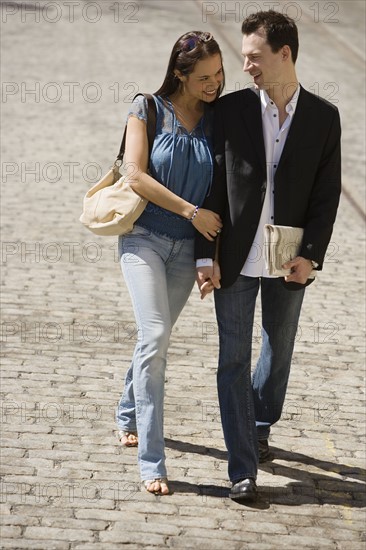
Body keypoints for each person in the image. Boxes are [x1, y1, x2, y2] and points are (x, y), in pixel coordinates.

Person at [195, 10, 341, 502]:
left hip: (289, 260)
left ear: (285, 54)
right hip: (234, 257)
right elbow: (209, 187)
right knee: (232, 360)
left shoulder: (324, 117)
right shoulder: (230, 111)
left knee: (278, 351)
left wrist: (312, 256)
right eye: (245, 57)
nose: (246, 66)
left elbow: (326, 196)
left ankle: (260, 421)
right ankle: (243, 468)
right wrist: (204, 256)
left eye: (254, 57)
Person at [115, 31, 225, 495]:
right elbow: (135, 174)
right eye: (203, 77)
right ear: (179, 74)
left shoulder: (220, 120)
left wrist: (209, 256)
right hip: (143, 238)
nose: (214, 84)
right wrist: (191, 212)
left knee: (152, 339)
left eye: (219, 74)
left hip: (187, 249)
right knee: (156, 335)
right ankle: (152, 464)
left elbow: (224, 195)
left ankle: (125, 411)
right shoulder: (148, 108)